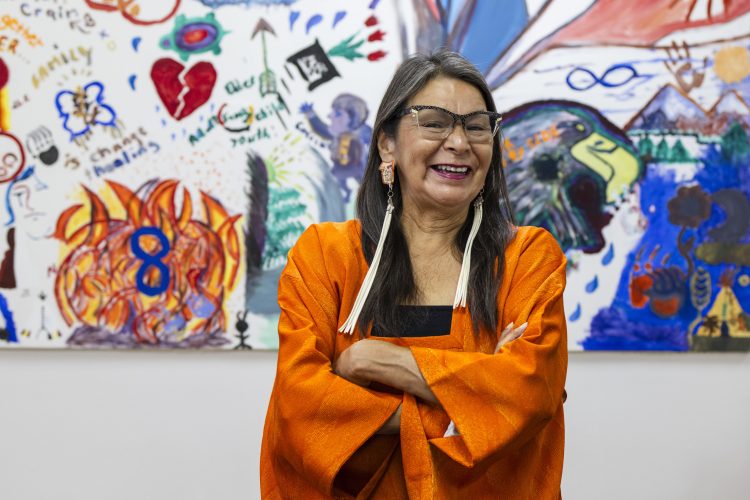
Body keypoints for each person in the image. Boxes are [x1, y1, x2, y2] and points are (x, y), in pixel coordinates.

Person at [260, 50, 568, 498]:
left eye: (477, 126)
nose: (460, 142)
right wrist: (474, 400)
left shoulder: (527, 258)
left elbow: (530, 394)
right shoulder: (327, 255)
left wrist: (372, 362)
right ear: (387, 143)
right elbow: (300, 408)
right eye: (435, 122)